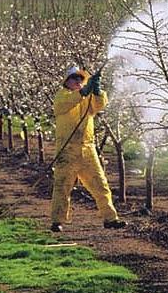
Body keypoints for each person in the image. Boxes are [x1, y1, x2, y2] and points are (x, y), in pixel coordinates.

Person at [50, 65, 127, 232]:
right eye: (74, 78)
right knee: (62, 187)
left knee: (101, 185)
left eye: (80, 79)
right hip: (67, 150)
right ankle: (57, 221)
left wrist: (97, 91)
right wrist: (83, 93)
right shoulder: (61, 96)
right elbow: (66, 103)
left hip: (87, 148)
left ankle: (110, 219)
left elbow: (99, 105)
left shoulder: (86, 98)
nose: (78, 81)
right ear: (67, 81)